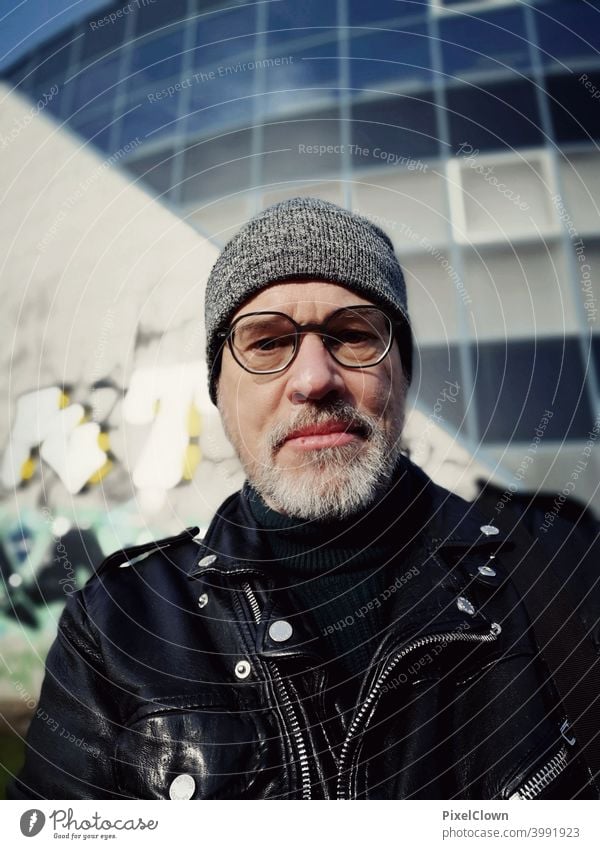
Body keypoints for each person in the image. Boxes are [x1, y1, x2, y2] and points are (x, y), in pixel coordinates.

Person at [9, 198, 600, 800]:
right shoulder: (118, 623)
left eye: (352, 335)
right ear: (221, 391)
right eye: (267, 343)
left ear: (401, 373)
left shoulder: (564, 571)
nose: (315, 379)